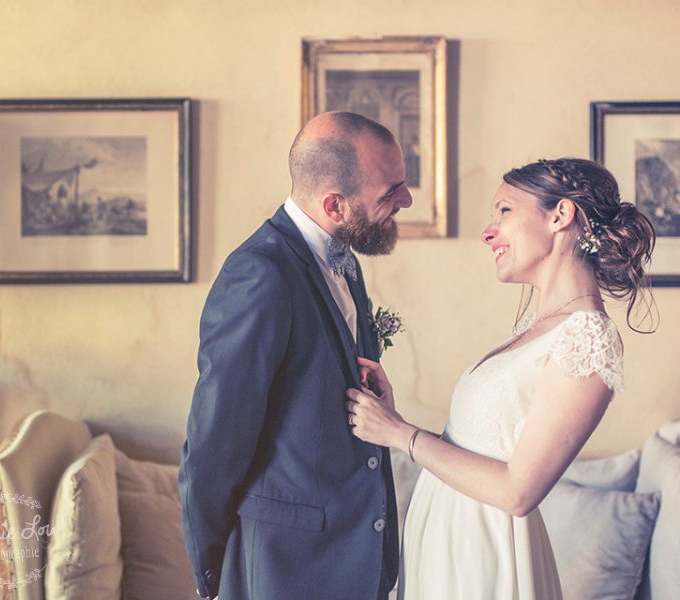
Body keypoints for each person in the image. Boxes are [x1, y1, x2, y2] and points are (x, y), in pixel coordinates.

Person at [346, 158, 655, 599]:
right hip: (444, 538)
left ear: (560, 216)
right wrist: (392, 415)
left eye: (504, 211)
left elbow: (518, 492)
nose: (488, 232)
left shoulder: (588, 335)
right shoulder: (538, 325)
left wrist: (400, 435)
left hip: (484, 555)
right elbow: (479, 449)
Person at [179, 111, 413, 600]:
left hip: (356, 557)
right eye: (390, 192)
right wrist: (213, 573)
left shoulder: (344, 258)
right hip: (287, 568)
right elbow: (215, 441)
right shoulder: (259, 275)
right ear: (335, 205)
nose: (406, 201)